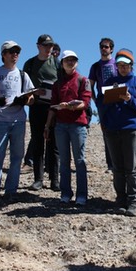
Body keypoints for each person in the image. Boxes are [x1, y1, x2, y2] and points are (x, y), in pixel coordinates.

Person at [0, 41, 35, 208]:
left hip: (18, 121)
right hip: (1, 120)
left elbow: (31, 97)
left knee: (17, 157)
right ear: (3, 54)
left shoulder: (23, 75)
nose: (14, 54)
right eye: (11, 51)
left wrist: (25, 100)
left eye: (17, 51)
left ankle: (11, 191)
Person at [98, 49, 136, 216]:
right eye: (119, 65)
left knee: (132, 168)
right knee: (117, 168)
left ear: (131, 65)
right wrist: (108, 108)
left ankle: (133, 202)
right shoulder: (110, 81)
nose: (122, 68)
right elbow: (101, 104)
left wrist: (130, 100)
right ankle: (120, 200)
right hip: (112, 130)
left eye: (126, 65)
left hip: (131, 130)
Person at [44, 50, 92, 205]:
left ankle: (82, 195)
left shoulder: (83, 80)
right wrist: (47, 125)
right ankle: (65, 193)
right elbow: (53, 106)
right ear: (62, 63)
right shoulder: (57, 84)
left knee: (79, 160)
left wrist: (72, 106)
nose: (70, 62)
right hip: (61, 126)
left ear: (77, 62)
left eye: (73, 60)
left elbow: (85, 103)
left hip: (78, 125)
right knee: (64, 161)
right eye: (67, 60)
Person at [23, 34, 60, 191]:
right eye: (45, 45)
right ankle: (38, 179)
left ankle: (54, 179)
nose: (48, 48)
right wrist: (33, 93)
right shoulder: (30, 64)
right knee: (37, 141)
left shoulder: (57, 64)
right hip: (36, 107)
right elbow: (24, 86)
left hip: (53, 107)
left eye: (50, 45)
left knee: (54, 143)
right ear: (38, 46)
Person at [88, 37, 117, 171]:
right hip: (103, 101)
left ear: (111, 48)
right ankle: (110, 164)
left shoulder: (117, 64)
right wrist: (96, 100)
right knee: (107, 132)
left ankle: (120, 163)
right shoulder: (95, 66)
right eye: (101, 46)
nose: (103, 49)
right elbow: (90, 86)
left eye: (106, 46)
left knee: (119, 131)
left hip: (117, 99)